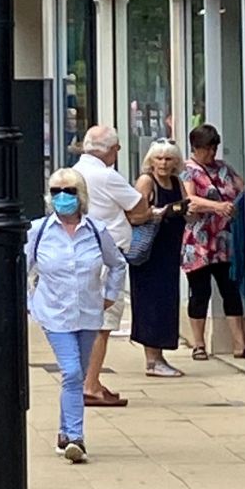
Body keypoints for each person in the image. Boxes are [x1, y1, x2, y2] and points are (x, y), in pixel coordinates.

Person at [26, 169, 126, 464]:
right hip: (54, 313)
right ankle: (75, 437)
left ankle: (63, 431)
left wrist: (110, 294)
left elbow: (117, 264)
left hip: (88, 313)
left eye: (68, 191)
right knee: (70, 372)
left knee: (77, 375)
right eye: (56, 191)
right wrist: (28, 302)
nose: (62, 197)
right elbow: (23, 265)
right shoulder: (39, 230)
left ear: (80, 195)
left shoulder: (97, 230)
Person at [72, 126, 150, 407]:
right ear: (108, 150)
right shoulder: (107, 176)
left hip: (80, 254)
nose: (117, 154)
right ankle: (90, 385)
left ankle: (87, 380)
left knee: (85, 322)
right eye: (116, 149)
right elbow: (140, 208)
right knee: (102, 324)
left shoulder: (74, 172)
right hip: (107, 257)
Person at [181, 124, 245, 360]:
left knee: (230, 290)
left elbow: (244, 189)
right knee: (200, 292)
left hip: (223, 241)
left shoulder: (224, 169)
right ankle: (198, 343)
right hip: (198, 242)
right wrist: (217, 207)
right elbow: (189, 201)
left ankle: (240, 343)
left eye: (214, 148)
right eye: (207, 149)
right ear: (195, 148)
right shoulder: (187, 170)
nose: (211, 153)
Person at [130, 139, 190, 377]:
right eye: (159, 158)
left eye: (168, 159)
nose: (163, 164)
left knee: (166, 302)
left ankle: (159, 355)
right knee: (150, 303)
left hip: (169, 252)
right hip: (149, 253)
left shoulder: (177, 182)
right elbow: (134, 214)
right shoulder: (146, 181)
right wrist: (156, 213)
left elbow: (186, 206)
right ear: (151, 160)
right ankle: (152, 360)